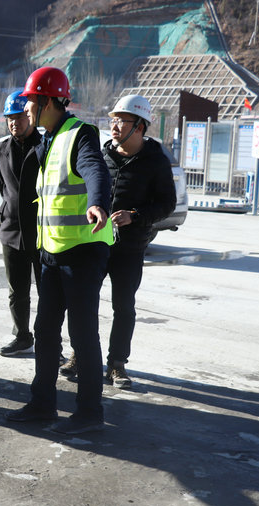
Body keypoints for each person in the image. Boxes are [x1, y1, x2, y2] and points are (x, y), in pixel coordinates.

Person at [5, 67, 113, 433]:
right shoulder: (46, 142)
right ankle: (43, 404)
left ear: (48, 101)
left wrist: (97, 202)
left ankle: (90, 413)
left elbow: (95, 169)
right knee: (45, 330)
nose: (26, 108)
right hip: (52, 253)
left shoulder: (80, 134)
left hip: (83, 251)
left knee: (82, 334)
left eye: (30, 101)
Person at [60, 95, 175, 389]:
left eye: (122, 120)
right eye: (113, 119)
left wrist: (134, 216)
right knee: (83, 302)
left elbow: (167, 204)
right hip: (95, 244)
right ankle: (79, 355)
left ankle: (116, 364)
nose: (114, 126)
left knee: (123, 307)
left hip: (130, 247)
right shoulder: (101, 156)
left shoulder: (156, 162)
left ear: (140, 126)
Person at [0, 90, 43, 357]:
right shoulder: (1, 150)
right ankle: (22, 336)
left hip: (41, 232)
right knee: (17, 291)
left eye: (19, 117)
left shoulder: (45, 147)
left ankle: (49, 341)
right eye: (10, 118)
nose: (14, 123)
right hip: (11, 231)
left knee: (48, 293)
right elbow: (4, 187)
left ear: (30, 117)